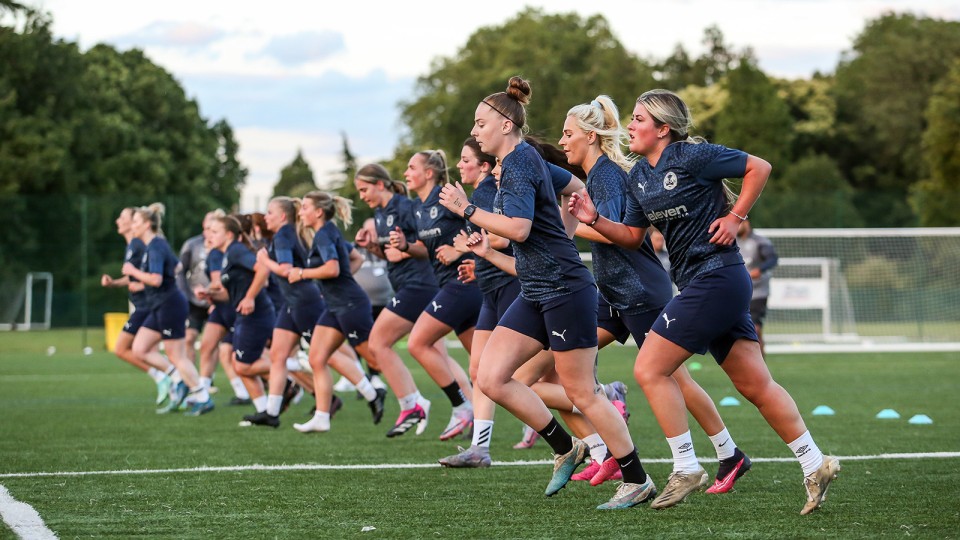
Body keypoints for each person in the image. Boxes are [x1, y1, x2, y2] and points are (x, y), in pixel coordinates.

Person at [568, 89, 839, 514]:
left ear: (663, 129)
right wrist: (594, 219)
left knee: (650, 368)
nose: (631, 126)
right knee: (755, 385)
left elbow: (759, 167)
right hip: (702, 283)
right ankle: (814, 463)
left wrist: (735, 217)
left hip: (719, 278)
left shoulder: (691, 157)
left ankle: (686, 466)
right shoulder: (639, 176)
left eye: (639, 119)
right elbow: (632, 238)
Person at [438, 76, 655, 510]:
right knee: (492, 376)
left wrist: (466, 208)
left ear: (504, 124)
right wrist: (567, 229)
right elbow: (575, 188)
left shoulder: (520, 162)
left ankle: (637, 478)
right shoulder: (522, 159)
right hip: (536, 289)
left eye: (481, 123)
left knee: (582, 393)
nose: (475, 131)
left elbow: (518, 228)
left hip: (565, 289)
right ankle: (565, 447)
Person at [556, 95, 750, 492]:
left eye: (568, 133)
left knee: (673, 377)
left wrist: (567, 232)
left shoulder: (608, 175)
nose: (562, 140)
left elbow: (620, 234)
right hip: (614, 293)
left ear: (590, 137)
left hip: (639, 290)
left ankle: (727, 453)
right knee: (563, 359)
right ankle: (608, 441)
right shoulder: (598, 175)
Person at [396, 149, 481, 441]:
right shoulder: (418, 208)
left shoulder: (447, 196)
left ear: (429, 173)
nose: (406, 173)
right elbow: (426, 250)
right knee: (489, 371)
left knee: (418, 343)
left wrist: (459, 249)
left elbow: (483, 229)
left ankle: (461, 406)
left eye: (411, 167)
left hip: (465, 282)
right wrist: (407, 246)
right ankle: (600, 396)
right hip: (451, 286)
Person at [286, 191, 388, 433]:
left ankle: (412, 399)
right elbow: (354, 259)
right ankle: (323, 416)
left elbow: (332, 268)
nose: (301, 212)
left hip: (350, 305)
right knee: (317, 357)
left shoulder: (323, 235)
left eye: (305, 208)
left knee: (378, 359)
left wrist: (301, 273)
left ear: (318, 212)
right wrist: (338, 284)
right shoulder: (328, 232)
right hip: (336, 305)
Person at [353, 164, 439, 438]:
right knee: (442, 354)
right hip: (405, 284)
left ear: (380, 184)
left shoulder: (406, 207)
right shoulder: (379, 214)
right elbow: (388, 254)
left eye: (364, 189)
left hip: (420, 283)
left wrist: (404, 250)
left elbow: (428, 247)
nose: (362, 195)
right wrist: (371, 247)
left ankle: (412, 404)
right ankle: (466, 408)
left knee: (378, 342)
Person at [121, 203, 213, 416]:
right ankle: (178, 379)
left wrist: (134, 271)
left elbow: (155, 279)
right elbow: (177, 266)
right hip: (159, 305)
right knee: (139, 348)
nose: (131, 225)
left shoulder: (155, 246)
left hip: (170, 305)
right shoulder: (155, 245)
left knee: (177, 355)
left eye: (135, 222)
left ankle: (202, 396)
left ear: (146, 224)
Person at [199, 215, 275, 417]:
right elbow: (228, 294)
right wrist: (211, 294)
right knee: (239, 364)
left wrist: (250, 298)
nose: (210, 235)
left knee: (242, 364)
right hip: (244, 315)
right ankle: (264, 412)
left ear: (229, 234)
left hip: (256, 314)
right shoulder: (226, 254)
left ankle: (286, 367)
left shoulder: (235, 251)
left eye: (215, 231)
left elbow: (264, 269)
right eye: (209, 230)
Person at [100, 207, 173, 405]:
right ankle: (173, 382)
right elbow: (135, 275)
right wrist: (115, 282)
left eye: (122, 218)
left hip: (147, 305)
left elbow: (154, 276)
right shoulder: (133, 245)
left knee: (122, 348)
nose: (118, 221)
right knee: (145, 349)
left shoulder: (140, 245)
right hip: (143, 304)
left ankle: (168, 378)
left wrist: (139, 283)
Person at [737, 219, 778, 357]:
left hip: (757, 291)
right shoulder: (731, 241)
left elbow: (772, 259)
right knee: (740, 332)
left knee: (754, 329)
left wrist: (759, 270)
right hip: (738, 292)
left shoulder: (760, 241)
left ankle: (761, 369)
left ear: (746, 222)